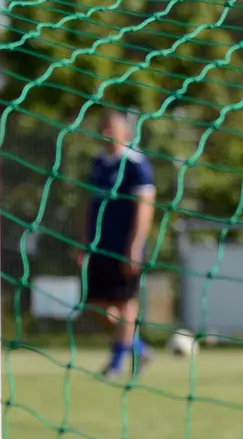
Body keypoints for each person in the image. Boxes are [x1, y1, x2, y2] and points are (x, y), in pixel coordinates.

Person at [79, 110, 155, 380]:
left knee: (126, 304)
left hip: (125, 249)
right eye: (102, 127)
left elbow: (145, 208)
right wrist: (84, 243)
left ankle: (116, 362)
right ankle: (138, 346)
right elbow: (91, 205)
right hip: (100, 247)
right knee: (96, 306)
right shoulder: (99, 163)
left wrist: (135, 246)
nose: (105, 133)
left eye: (110, 128)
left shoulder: (136, 164)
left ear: (125, 132)